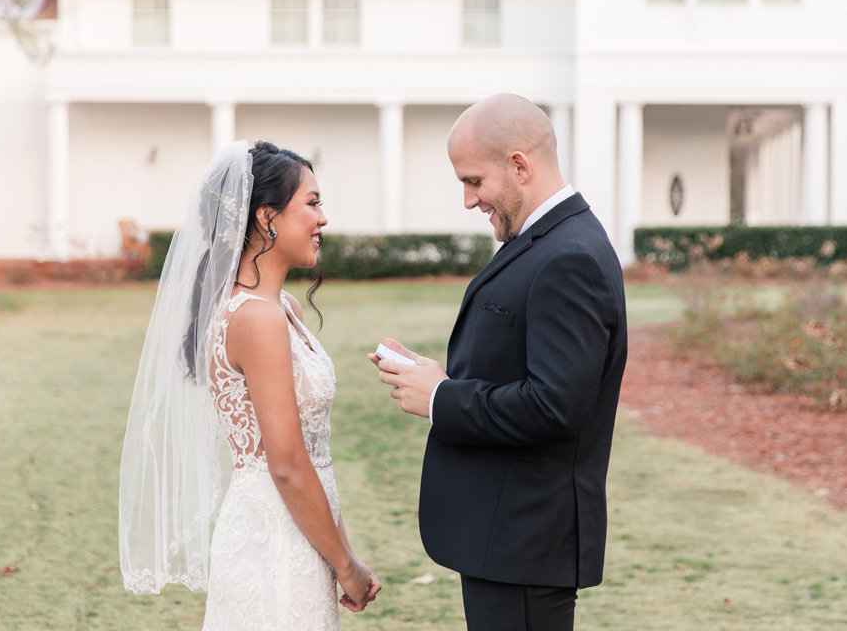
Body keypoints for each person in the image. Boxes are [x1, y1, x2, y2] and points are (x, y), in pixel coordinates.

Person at [372, 94, 627, 631]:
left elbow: (555, 406)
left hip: (526, 541)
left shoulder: (570, 256)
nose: (468, 200)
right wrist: (435, 377)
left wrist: (441, 398)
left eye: (473, 181)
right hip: (506, 538)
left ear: (519, 165)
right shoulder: (546, 242)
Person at [120, 140, 380, 630]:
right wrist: (347, 566)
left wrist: (341, 553)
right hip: (274, 540)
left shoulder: (284, 311)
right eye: (312, 202)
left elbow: (313, 457)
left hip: (307, 533)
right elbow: (285, 464)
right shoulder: (256, 320)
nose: (322, 218)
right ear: (266, 218)